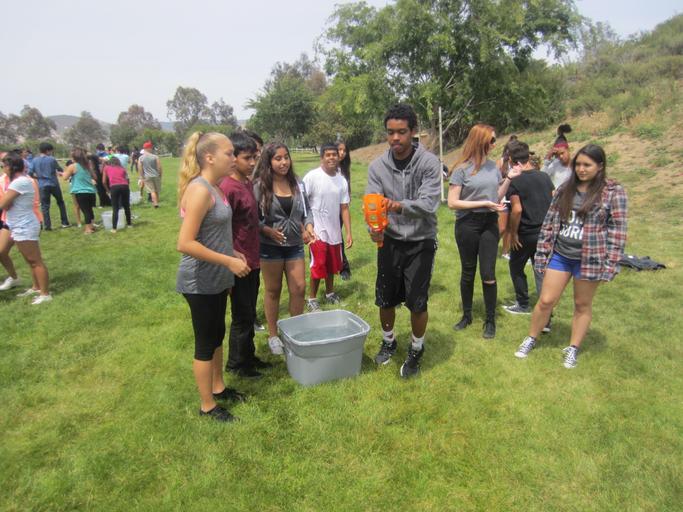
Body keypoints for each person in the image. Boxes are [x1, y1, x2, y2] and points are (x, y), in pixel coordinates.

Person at [513, 144, 627, 368]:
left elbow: (618, 230)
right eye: (578, 164)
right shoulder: (566, 188)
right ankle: (531, 338)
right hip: (561, 254)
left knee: (582, 304)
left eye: (587, 165)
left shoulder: (613, 192)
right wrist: (543, 252)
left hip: (589, 259)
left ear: (600, 166)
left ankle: (573, 348)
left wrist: (610, 264)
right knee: (546, 300)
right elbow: (549, 222)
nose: (581, 169)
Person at [176, 131, 250, 423]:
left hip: (217, 278)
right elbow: (185, 243)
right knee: (206, 343)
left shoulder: (216, 188)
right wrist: (228, 261)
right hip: (199, 281)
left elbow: (212, 235)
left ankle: (218, 388)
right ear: (209, 157)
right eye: (229, 153)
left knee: (218, 334)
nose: (233, 158)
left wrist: (232, 252)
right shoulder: (200, 190)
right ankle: (207, 405)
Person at [367, 103, 442, 378]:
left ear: (413, 132)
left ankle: (416, 348)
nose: (395, 138)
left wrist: (396, 206)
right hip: (390, 240)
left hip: (421, 241)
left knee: (417, 302)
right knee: (385, 298)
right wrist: (374, 228)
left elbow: (429, 204)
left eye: (401, 132)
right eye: (390, 132)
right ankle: (388, 342)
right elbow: (373, 203)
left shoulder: (429, 163)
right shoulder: (377, 166)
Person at [448, 124, 521, 339]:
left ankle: (490, 321)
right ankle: (467, 316)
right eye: (492, 140)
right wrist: (482, 203)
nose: (495, 144)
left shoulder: (492, 167)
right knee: (468, 270)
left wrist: (509, 178)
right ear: (480, 141)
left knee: (488, 272)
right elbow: (452, 202)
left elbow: (495, 197)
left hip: (489, 222)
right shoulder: (461, 169)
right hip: (467, 224)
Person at [253, 143, 316, 355]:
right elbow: (252, 218)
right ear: (269, 162)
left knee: (299, 288)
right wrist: (267, 231)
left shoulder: (298, 183)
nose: (283, 162)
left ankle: (295, 333)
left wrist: (309, 226)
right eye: (278, 158)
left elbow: (307, 211)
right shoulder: (260, 186)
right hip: (270, 247)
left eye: (286, 157)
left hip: (294, 245)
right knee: (273, 290)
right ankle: (273, 335)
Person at [218, 132, 271, 378]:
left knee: (249, 311)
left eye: (254, 157)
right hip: (238, 262)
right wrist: (229, 260)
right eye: (246, 158)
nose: (252, 163)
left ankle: (248, 356)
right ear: (234, 158)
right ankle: (237, 364)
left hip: (252, 259)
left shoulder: (247, 183)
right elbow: (222, 228)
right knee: (242, 314)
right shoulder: (228, 188)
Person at [501, 141, 554, 314]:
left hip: (525, 233)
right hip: (545, 232)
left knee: (516, 267)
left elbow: (516, 209)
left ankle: (523, 304)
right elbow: (553, 201)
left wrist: (513, 233)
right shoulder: (544, 176)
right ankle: (547, 310)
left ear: (512, 160)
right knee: (540, 270)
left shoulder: (515, 181)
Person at [302, 143, 352, 311]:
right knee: (318, 265)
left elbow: (344, 208)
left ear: (338, 157)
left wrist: (348, 232)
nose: (332, 157)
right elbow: (302, 204)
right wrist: (305, 228)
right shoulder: (312, 177)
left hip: (334, 231)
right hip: (316, 231)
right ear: (322, 157)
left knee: (332, 265)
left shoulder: (341, 180)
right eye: (328, 155)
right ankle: (312, 298)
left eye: (334, 154)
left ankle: (330, 293)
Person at [0, 152, 51, 304]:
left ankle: (45, 294)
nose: (3, 168)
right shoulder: (17, 182)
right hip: (18, 224)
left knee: (35, 261)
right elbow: (7, 204)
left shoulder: (20, 182)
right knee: (30, 260)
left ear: (11, 167)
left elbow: (3, 204)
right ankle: (36, 288)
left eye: (4, 165)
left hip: (25, 225)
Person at [29, 142, 70, 230]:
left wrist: (38, 177)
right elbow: (59, 168)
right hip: (53, 183)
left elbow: (30, 172)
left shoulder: (34, 160)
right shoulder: (51, 159)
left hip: (42, 185)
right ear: (47, 151)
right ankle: (64, 222)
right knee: (60, 202)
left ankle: (47, 226)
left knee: (45, 206)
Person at [62, 149, 98, 234]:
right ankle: (91, 226)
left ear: (74, 158)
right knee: (89, 209)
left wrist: (64, 172)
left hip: (80, 191)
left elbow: (65, 178)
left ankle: (88, 229)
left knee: (85, 211)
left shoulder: (73, 166)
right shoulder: (87, 165)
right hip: (91, 191)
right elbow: (95, 177)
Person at [496, 135, 518, 260]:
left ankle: (505, 252)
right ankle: (489, 245)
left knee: (510, 227)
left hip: (514, 197)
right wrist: (508, 178)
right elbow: (495, 181)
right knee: (502, 228)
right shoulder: (501, 162)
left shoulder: (518, 163)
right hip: (503, 197)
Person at [102, 156, 132, 232]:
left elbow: (104, 182)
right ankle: (129, 224)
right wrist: (126, 186)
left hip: (114, 187)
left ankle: (114, 228)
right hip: (124, 186)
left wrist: (107, 190)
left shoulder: (106, 168)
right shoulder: (122, 168)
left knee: (115, 208)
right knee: (126, 206)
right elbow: (127, 179)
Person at [337, 139, 352, 280]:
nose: (342, 153)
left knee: (337, 237)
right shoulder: (327, 168)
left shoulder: (344, 169)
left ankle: (344, 268)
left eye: (344, 150)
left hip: (340, 209)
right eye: (339, 150)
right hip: (327, 209)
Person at [541, 124, 573, 188]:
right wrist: (548, 158)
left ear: (568, 150)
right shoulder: (555, 164)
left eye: (562, 153)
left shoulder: (576, 165)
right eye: (558, 155)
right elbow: (541, 177)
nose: (560, 157)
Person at [138, 141, 162, 207]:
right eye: (151, 148)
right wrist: (160, 174)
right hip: (156, 175)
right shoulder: (155, 157)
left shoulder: (141, 158)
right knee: (156, 190)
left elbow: (140, 168)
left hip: (147, 176)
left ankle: (155, 203)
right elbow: (159, 167)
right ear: (148, 148)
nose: (151, 149)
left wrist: (142, 177)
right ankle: (157, 202)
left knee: (152, 190)